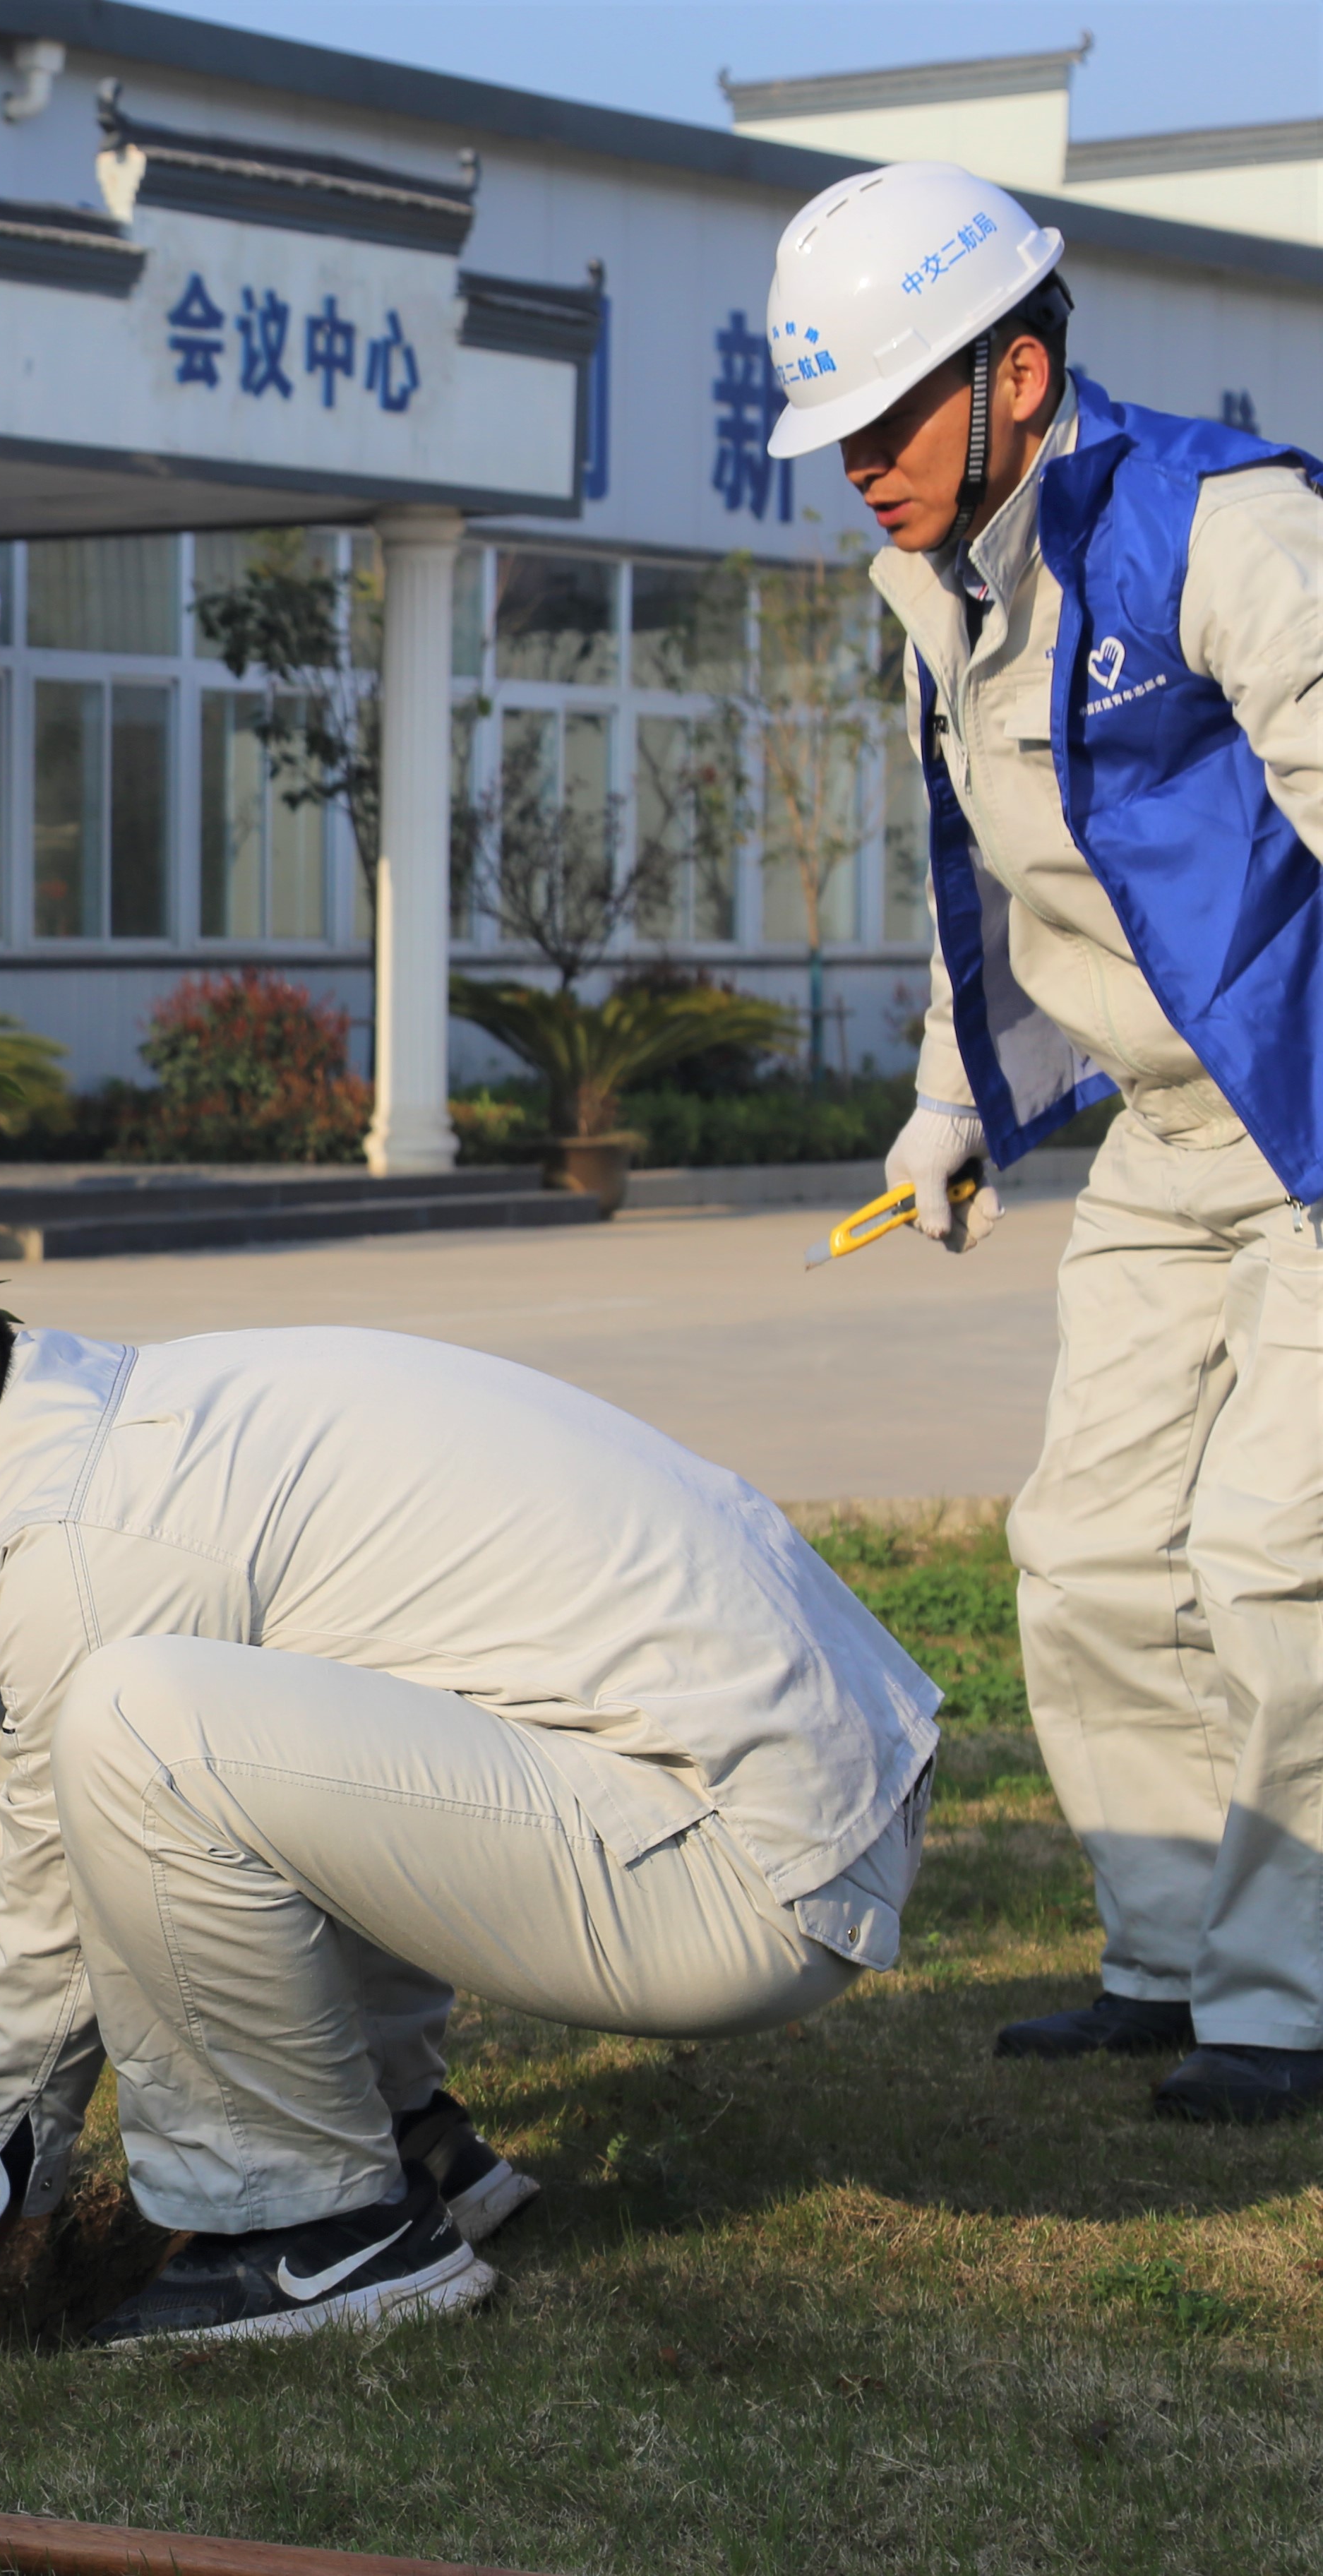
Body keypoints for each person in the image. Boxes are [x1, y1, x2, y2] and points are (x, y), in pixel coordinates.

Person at [0, 1233, 938, 2350]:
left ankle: (320, 2229)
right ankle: (410, 2143)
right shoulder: (114, 1431)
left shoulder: (89, 1545)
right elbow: (20, 1821)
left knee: (137, 1734)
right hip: (783, 1798)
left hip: (742, 1870)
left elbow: (43, 1934)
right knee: (153, 1730)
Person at [764, 163, 1323, 2121]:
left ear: (1015, 370)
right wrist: (951, 1100)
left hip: (1315, 1114)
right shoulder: (937, 585)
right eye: (831, 429)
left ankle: (1292, 1995)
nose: (857, 463)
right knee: (1085, 1552)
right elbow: (981, 870)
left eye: (888, 413)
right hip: (1164, 1141)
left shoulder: (1233, 532)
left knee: (1274, 1557)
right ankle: (1171, 1960)